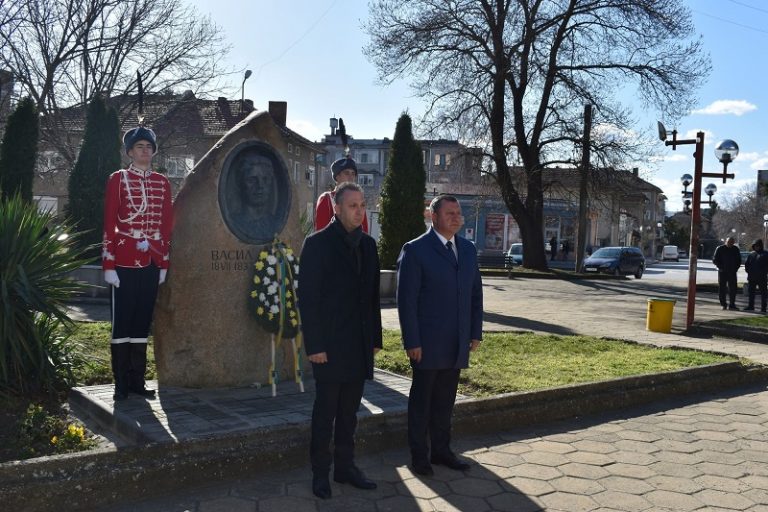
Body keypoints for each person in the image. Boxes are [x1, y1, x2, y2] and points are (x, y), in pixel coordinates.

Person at [298, 182, 382, 499]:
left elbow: (372, 297)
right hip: (329, 348)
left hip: (358, 346)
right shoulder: (317, 244)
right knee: (326, 414)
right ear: (336, 207)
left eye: (362, 205)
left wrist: (373, 337)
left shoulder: (369, 245)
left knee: (350, 414)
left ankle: (345, 468)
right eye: (352, 206)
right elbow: (309, 299)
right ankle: (321, 474)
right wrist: (315, 345)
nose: (359, 211)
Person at [396, 194, 483, 477]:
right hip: (427, 342)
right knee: (422, 403)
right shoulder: (416, 250)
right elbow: (406, 301)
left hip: (456, 340)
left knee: (446, 400)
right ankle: (419, 456)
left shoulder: (468, 249)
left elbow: (475, 294)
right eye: (449, 213)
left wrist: (474, 332)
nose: (456, 217)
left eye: (458, 213)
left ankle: (442, 451)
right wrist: (412, 341)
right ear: (433, 217)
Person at [102, 126, 173, 401]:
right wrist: (108, 264)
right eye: (139, 146)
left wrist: (164, 262)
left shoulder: (162, 182)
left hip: (152, 259)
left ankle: (136, 382)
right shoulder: (117, 180)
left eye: (149, 146)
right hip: (123, 260)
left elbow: (166, 225)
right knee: (122, 324)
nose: (145, 151)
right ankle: (120, 384)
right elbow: (109, 223)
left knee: (142, 323)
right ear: (130, 152)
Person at [314, 156, 369, 233]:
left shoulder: (358, 200)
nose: (351, 177)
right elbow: (320, 232)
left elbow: (364, 231)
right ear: (337, 176)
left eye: (353, 174)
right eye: (346, 173)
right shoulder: (327, 198)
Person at [712, 236, 741, 310]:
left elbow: (739, 261)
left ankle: (732, 304)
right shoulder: (720, 248)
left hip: (732, 272)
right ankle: (723, 304)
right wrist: (721, 267)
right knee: (722, 288)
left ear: (733, 243)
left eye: (732, 242)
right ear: (726, 242)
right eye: (729, 242)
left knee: (733, 289)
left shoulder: (735, 249)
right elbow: (715, 260)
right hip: (722, 272)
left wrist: (735, 269)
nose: (730, 244)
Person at [744, 239, 768, 313]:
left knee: (763, 293)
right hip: (752, 277)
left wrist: (764, 272)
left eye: (758, 246)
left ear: (761, 246)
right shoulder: (751, 254)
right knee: (751, 293)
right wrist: (749, 271)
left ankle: (763, 307)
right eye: (755, 246)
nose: (756, 247)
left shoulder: (766, 254)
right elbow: (747, 264)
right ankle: (751, 306)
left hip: (762, 277)